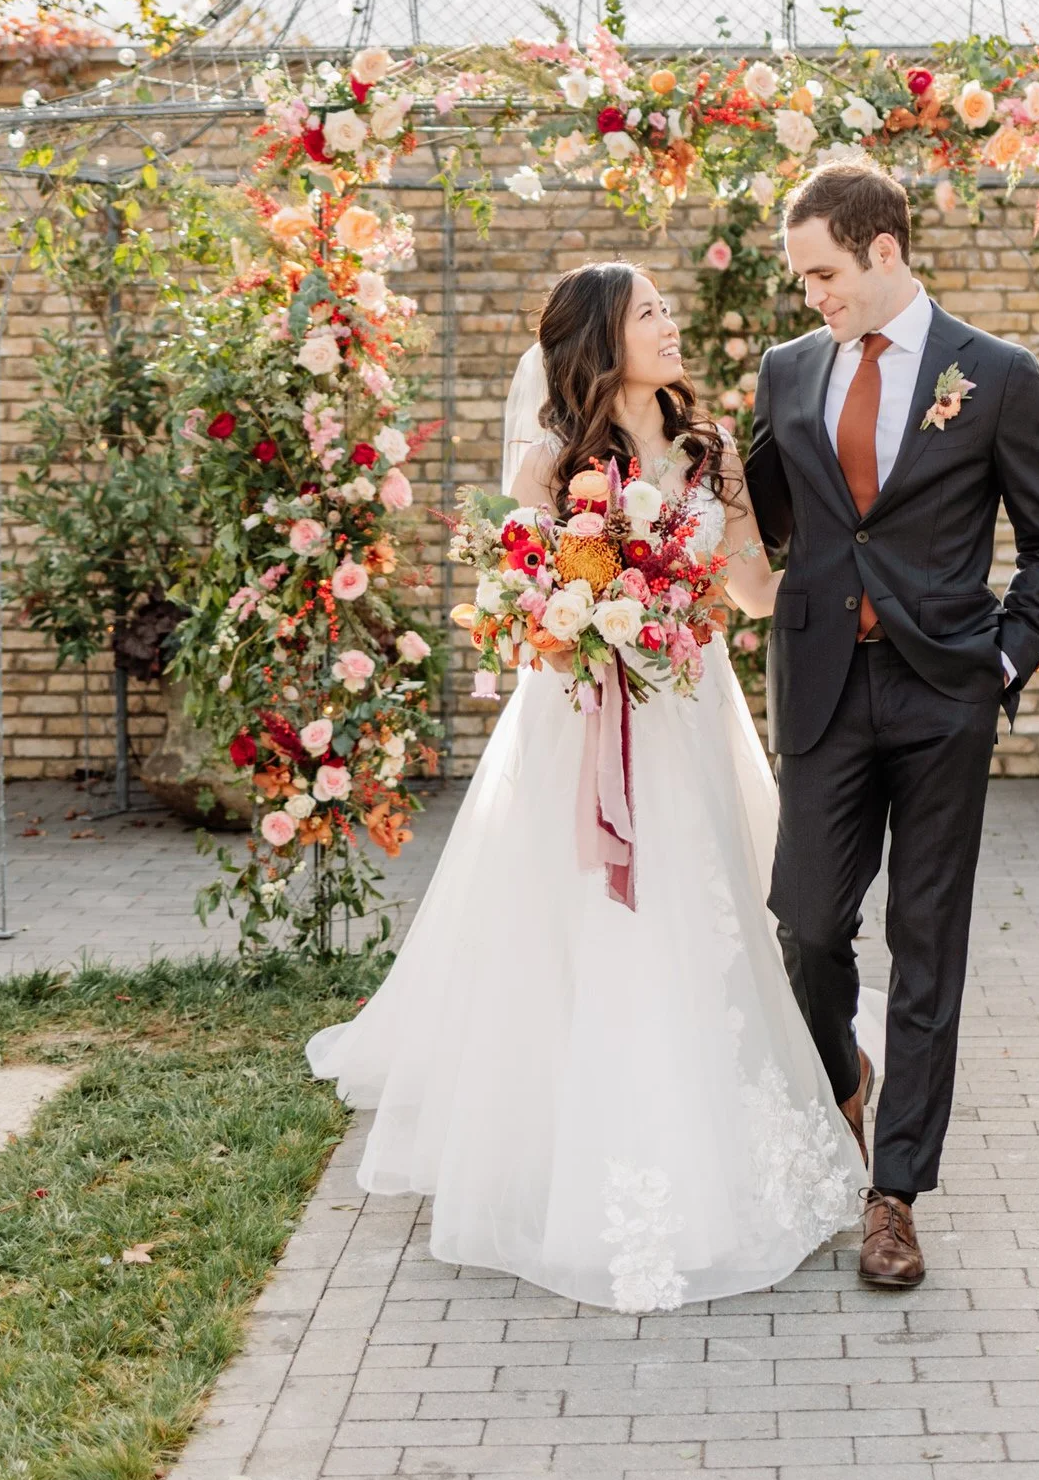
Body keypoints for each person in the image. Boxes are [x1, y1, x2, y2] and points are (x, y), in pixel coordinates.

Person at [306, 259, 865, 1313]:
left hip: (686, 718)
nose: (670, 323)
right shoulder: (551, 460)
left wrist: (849, 587)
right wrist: (574, 623)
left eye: (665, 307)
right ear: (604, 339)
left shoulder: (709, 455)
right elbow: (514, 591)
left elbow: (747, 588)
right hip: (580, 725)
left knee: (698, 921)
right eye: (650, 312)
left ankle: (716, 1125)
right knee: (583, 930)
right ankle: (571, 1132)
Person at [747, 161, 1039, 1290]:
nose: (813, 298)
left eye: (824, 274)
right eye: (802, 280)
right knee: (805, 926)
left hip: (944, 694)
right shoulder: (786, 373)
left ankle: (894, 1196)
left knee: (928, 946)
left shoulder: (996, 375)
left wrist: (1001, 660)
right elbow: (754, 515)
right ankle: (844, 1076)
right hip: (823, 691)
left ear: (883, 251)